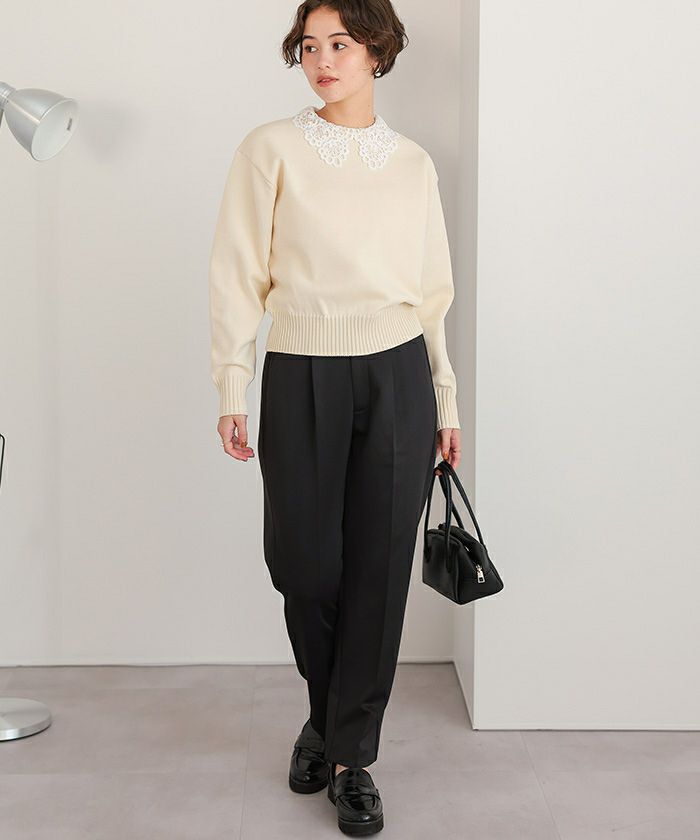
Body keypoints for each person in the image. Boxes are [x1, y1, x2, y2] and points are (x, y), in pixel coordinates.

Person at [208, 1, 461, 834]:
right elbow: (236, 272)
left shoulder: (413, 164)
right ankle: (324, 716)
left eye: (340, 44)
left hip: (398, 376)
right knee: (304, 565)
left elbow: (432, 295)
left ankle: (351, 756)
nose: (322, 60)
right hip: (301, 373)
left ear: (377, 52)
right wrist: (233, 383)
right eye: (309, 46)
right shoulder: (270, 149)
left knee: (380, 573)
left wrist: (446, 397)